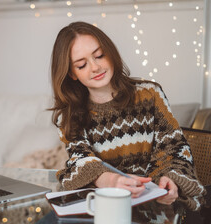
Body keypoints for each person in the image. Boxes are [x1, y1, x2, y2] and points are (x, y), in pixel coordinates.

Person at [50, 21, 205, 211]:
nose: (95, 67)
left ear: (110, 52)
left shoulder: (150, 94)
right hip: (107, 208)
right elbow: (79, 160)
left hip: (158, 206)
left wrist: (169, 181)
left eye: (99, 55)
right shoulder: (70, 116)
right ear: (72, 74)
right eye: (81, 65)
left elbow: (175, 148)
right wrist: (109, 179)